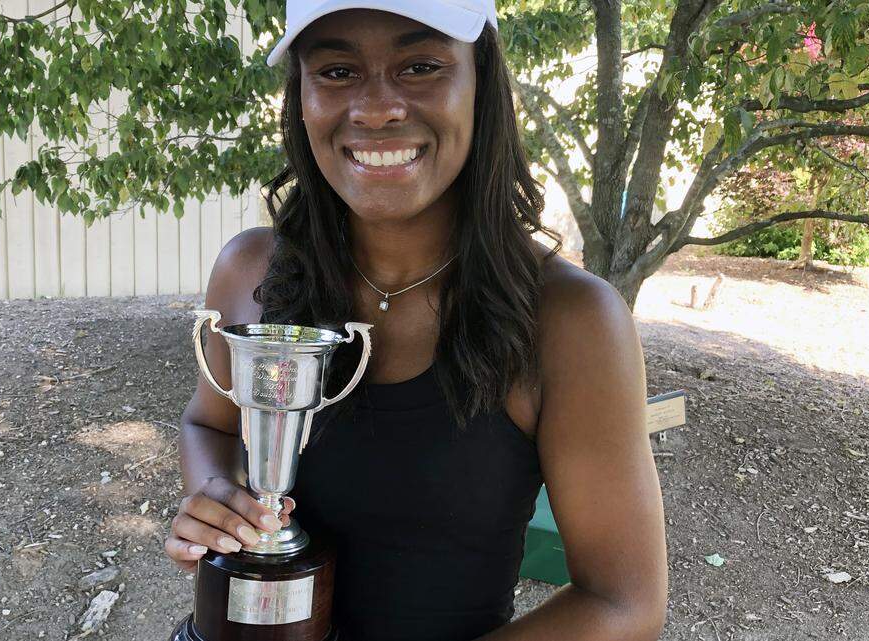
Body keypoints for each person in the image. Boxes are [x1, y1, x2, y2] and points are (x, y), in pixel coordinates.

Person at [164, 1, 668, 639]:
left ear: (481, 83)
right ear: (300, 98)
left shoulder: (570, 321)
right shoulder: (250, 273)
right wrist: (218, 498)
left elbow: (624, 604)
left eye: (421, 65)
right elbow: (207, 421)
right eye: (338, 71)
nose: (376, 109)